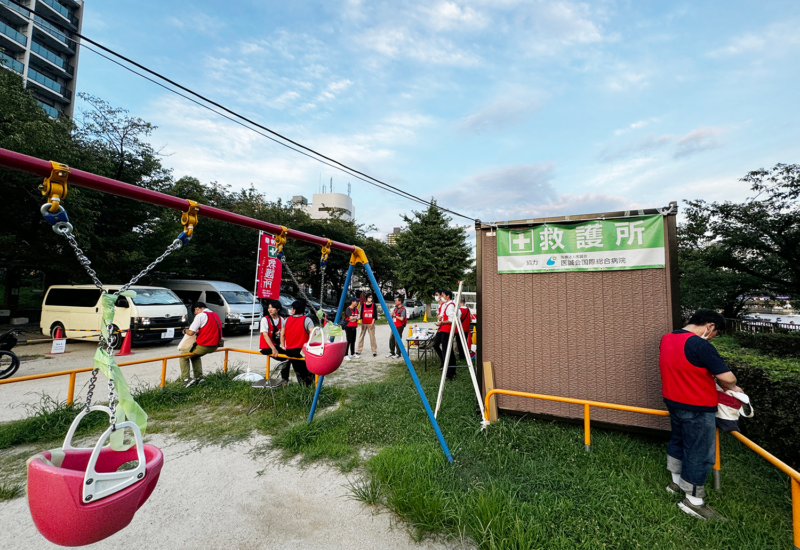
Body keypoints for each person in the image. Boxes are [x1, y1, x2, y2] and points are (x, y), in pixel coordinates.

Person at [659, 309, 742, 521]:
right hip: (697, 404)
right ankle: (693, 500)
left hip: (673, 400)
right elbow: (728, 377)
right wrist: (734, 387)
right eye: (716, 332)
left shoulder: (667, 339)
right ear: (710, 326)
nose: (714, 336)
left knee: (678, 441)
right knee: (699, 451)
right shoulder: (699, 344)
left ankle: (675, 482)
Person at [180, 302, 223, 387]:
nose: (195, 315)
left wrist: (185, 331)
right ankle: (199, 378)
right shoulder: (215, 314)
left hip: (204, 345)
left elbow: (191, 332)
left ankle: (186, 379)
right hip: (215, 345)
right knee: (195, 355)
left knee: (183, 356)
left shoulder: (200, 316)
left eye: (195, 313)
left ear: (197, 309)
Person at [279, 300, 315, 386]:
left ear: (294, 310)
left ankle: (302, 386)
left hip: (290, 351)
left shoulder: (287, 320)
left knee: (298, 371)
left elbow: (282, 334)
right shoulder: (306, 320)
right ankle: (309, 387)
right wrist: (309, 345)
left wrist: (283, 346)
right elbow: (313, 333)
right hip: (302, 351)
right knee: (308, 371)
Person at [433, 289, 457, 380]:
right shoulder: (446, 305)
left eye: (443, 295)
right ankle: (450, 371)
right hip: (444, 329)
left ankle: (450, 373)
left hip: (447, 330)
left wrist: (442, 322)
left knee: (447, 351)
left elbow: (451, 320)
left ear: (448, 296)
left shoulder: (450, 306)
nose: (441, 297)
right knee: (446, 350)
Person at [356, 293, 379, 358]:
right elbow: (361, 314)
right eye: (369, 297)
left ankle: (374, 351)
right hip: (364, 322)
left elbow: (374, 315)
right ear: (366, 298)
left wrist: (372, 323)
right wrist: (361, 322)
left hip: (370, 323)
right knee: (361, 337)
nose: (370, 298)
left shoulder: (373, 305)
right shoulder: (363, 305)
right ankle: (359, 350)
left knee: (372, 337)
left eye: (371, 297)